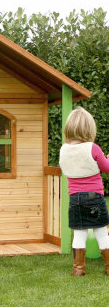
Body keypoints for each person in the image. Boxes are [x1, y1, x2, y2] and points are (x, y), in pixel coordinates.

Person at [59, 107, 109, 276]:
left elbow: (66, 169)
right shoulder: (92, 148)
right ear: (89, 129)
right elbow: (106, 168)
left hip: (75, 199)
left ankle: (78, 269)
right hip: (94, 197)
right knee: (101, 231)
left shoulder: (63, 150)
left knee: (79, 232)